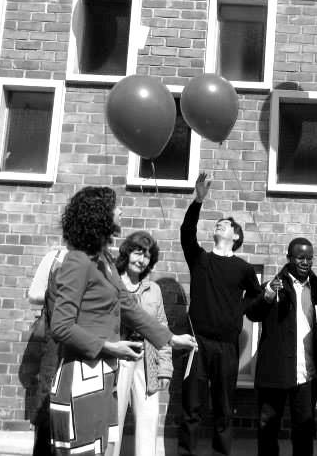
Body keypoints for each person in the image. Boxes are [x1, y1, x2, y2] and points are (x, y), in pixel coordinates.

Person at [47, 186, 197, 456]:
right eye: (116, 207)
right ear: (99, 215)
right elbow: (60, 326)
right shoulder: (77, 261)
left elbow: (128, 306)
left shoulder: (103, 260)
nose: (121, 211)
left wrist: (170, 339)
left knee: (103, 448)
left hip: (104, 370)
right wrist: (109, 346)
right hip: (82, 372)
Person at [179, 172, 262, 456]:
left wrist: (240, 309)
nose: (221, 224)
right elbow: (186, 233)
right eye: (219, 223)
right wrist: (198, 201)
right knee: (191, 407)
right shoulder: (200, 259)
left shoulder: (243, 268)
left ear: (236, 236)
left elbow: (256, 296)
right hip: (197, 344)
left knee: (224, 409)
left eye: (226, 224)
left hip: (227, 347)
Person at [247, 237, 317, 456]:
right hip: (275, 373)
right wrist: (268, 294)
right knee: (268, 429)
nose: (306, 262)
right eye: (300, 257)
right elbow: (252, 313)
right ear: (289, 258)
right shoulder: (273, 286)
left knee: (304, 432)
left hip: (305, 374)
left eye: (309, 258)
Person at [113, 231, 172, 456]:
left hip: (146, 362)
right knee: (113, 424)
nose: (142, 260)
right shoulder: (112, 284)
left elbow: (161, 329)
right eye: (138, 253)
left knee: (148, 424)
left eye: (147, 256)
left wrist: (165, 369)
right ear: (127, 253)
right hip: (117, 358)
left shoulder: (153, 289)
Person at [26, 242, 69, 456]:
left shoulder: (101, 259)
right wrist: (67, 296)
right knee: (47, 402)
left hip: (82, 344)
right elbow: (34, 294)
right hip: (54, 342)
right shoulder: (56, 256)